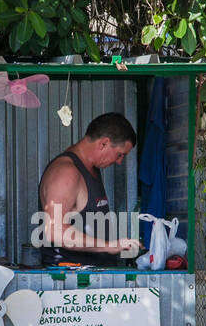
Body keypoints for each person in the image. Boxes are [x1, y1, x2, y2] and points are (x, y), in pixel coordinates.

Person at [36, 113, 142, 267]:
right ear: (104, 143)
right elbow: (55, 231)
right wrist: (109, 246)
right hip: (70, 282)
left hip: (92, 281)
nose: (119, 162)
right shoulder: (66, 172)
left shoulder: (90, 168)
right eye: (120, 154)